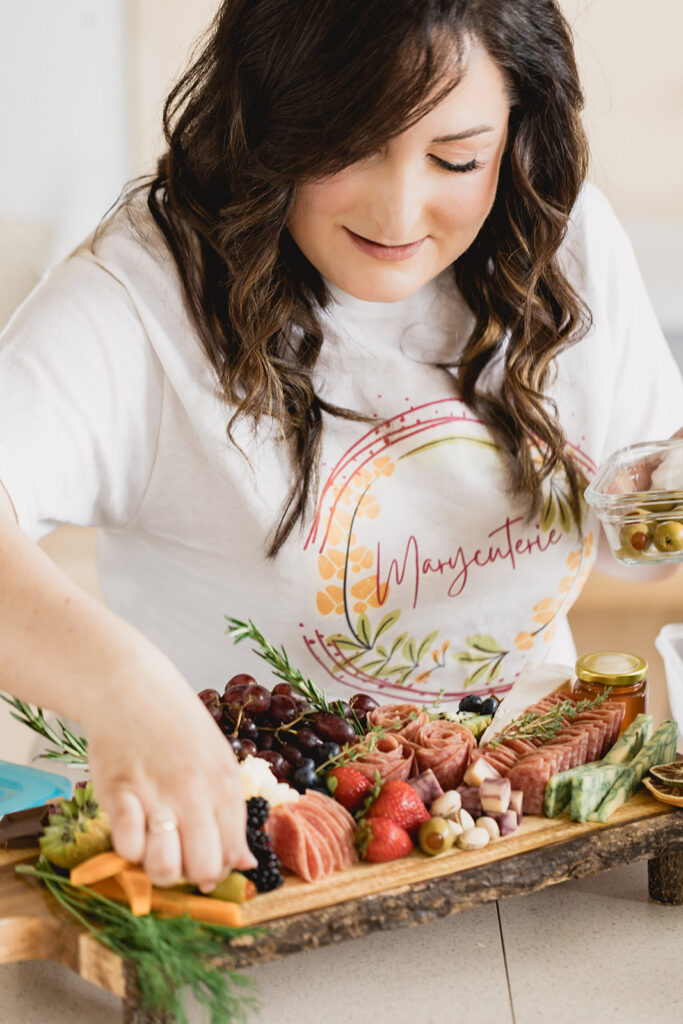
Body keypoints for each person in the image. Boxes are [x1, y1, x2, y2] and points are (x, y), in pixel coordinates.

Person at [0, 0, 681, 892]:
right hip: (241, 868)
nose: (398, 210)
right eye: (350, 145)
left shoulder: (558, 238)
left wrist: (663, 492)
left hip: (526, 844)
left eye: (456, 157)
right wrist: (125, 690)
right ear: (270, 113)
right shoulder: (141, 298)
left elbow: (635, 535)